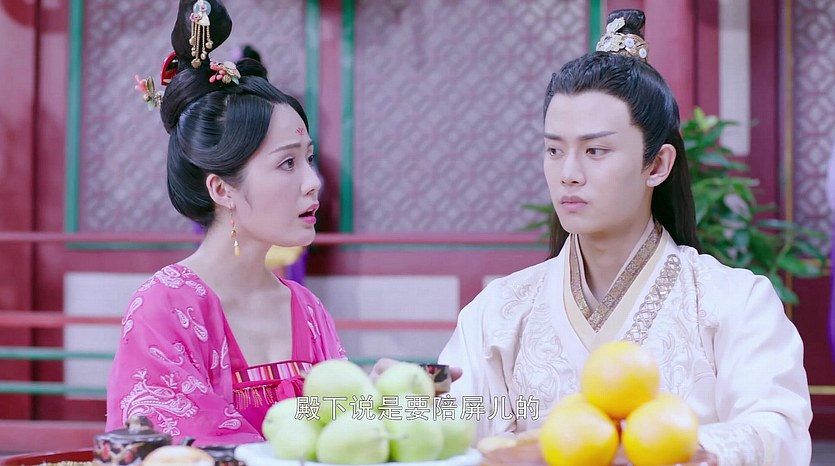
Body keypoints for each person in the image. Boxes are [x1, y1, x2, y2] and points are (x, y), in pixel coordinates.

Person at [437, 9, 812, 465]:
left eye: (595, 150)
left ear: (657, 165)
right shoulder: (499, 312)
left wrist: (685, 451)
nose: (568, 173)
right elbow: (452, 426)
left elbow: (777, 429)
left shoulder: (734, 302)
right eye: (554, 149)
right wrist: (403, 399)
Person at [106, 0, 345, 445]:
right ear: (221, 189)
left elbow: (339, 436)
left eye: (309, 159)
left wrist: (385, 401)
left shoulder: (308, 310)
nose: (313, 183)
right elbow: (174, 448)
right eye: (288, 163)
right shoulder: (165, 308)